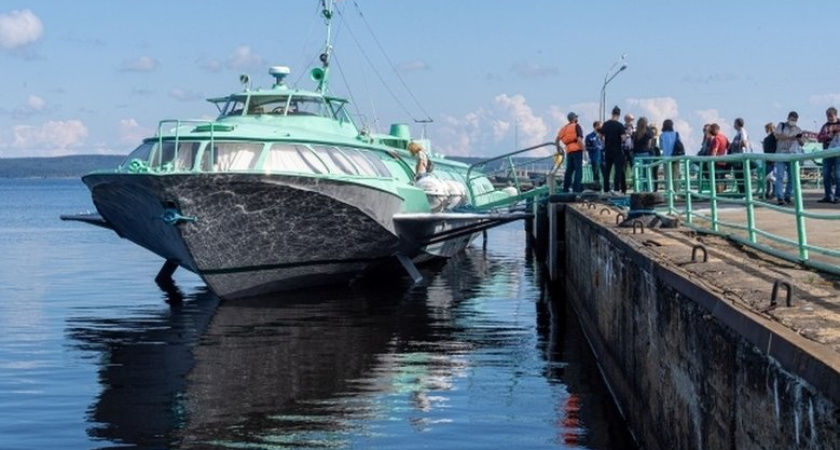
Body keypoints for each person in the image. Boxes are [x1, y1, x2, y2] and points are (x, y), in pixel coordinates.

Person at [773, 111, 804, 205]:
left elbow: (802, 143)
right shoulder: (781, 125)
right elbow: (777, 135)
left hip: (792, 154)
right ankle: (780, 197)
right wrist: (791, 137)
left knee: (792, 177)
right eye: (791, 119)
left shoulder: (798, 129)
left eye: (795, 120)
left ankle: (787, 196)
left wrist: (799, 138)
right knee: (780, 176)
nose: (793, 121)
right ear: (788, 118)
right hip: (781, 153)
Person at [556, 112, 585, 193]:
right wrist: (584, 149)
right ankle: (576, 190)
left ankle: (566, 189)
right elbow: (579, 140)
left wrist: (558, 149)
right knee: (578, 171)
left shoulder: (564, 128)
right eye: (576, 117)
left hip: (569, 150)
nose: (577, 118)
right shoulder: (577, 126)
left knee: (569, 171)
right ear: (574, 118)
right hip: (577, 149)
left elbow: (557, 140)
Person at [601, 106, 627, 194]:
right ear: (619, 115)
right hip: (617, 150)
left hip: (608, 150)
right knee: (618, 170)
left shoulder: (606, 124)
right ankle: (616, 189)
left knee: (607, 171)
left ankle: (606, 189)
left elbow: (600, 136)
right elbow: (623, 138)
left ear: (612, 113)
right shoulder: (620, 125)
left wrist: (605, 139)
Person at [816, 107, 840, 203]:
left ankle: (838, 196)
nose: (829, 118)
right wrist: (827, 136)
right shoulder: (825, 126)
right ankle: (828, 195)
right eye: (828, 116)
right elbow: (819, 138)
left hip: (838, 154)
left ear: (835, 115)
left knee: (838, 175)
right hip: (827, 152)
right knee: (826, 175)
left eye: (831, 116)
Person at [631, 117, 656, 190]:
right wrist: (648, 126)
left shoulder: (635, 134)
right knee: (646, 173)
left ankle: (638, 188)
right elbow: (652, 136)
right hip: (645, 154)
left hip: (636, 155)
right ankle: (647, 188)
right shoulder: (647, 134)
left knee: (637, 173)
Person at [729, 118, 751, 194]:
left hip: (741, 158)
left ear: (737, 124)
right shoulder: (739, 132)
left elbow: (744, 143)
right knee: (739, 177)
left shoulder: (742, 132)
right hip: (738, 158)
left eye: (734, 123)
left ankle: (744, 193)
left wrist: (735, 145)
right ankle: (742, 192)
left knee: (741, 176)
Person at [658, 119, 682, 190]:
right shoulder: (676, 134)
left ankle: (669, 191)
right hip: (676, 157)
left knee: (667, 176)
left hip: (666, 158)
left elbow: (661, 147)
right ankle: (676, 191)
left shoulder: (662, 136)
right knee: (676, 175)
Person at [708, 123, 730, 193]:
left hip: (716, 162)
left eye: (710, 129)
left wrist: (710, 161)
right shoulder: (724, 137)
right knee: (721, 178)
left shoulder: (716, 138)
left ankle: (718, 195)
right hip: (723, 161)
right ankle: (721, 194)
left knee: (717, 179)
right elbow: (729, 147)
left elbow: (714, 150)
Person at [584, 121, 604, 187]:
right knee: (596, 172)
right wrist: (595, 148)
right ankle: (597, 185)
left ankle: (606, 186)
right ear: (595, 126)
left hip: (603, 157)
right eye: (600, 126)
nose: (601, 127)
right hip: (594, 158)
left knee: (605, 171)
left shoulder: (604, 136)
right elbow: (587, 147)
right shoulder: (589, 136)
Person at [762, 122, 777, 199]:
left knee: (771, 177)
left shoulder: (772, 137)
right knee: (769, 177)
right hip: (770, 160)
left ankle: (772, 192)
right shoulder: (769, 138)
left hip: (772, 160)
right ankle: (770, 192)